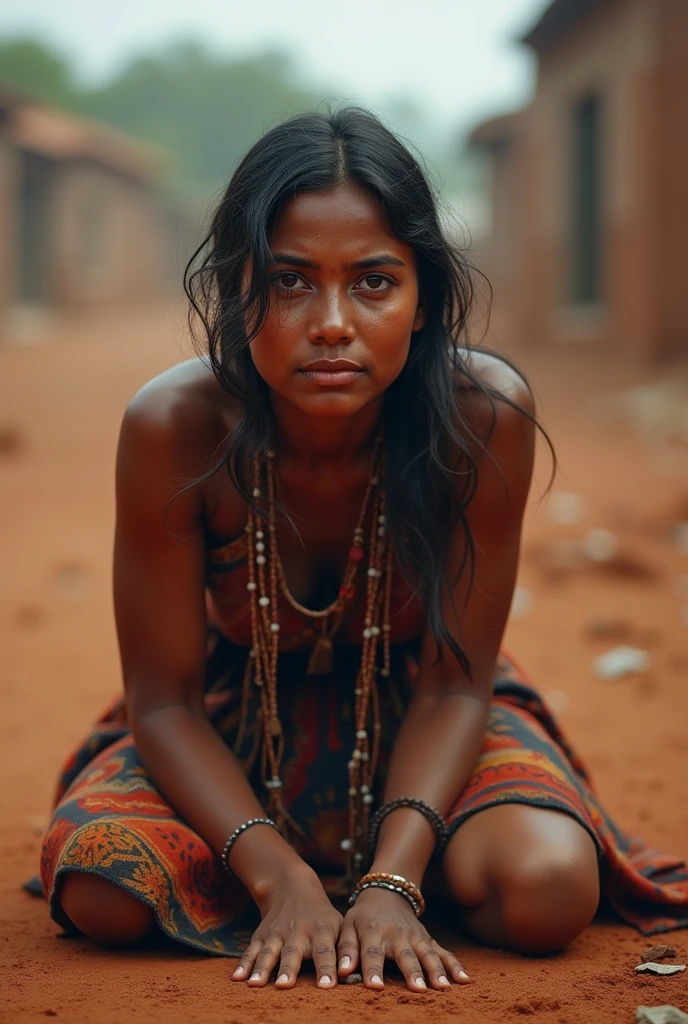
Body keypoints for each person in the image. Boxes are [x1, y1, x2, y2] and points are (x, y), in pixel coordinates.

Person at [34, 108, 688, 993]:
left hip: (430, 714)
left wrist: (392, 879)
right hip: (233, 721)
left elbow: (459, 681)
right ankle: (311, 891)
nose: (333, 322)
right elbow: (164, 703)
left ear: (422, 299)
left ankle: (402, 883)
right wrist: (282, 877)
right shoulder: (174, 427)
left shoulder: (479, 416)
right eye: (290, 282)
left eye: (374, 282)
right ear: (235, 290)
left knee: (545, 889)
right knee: (102, 891)